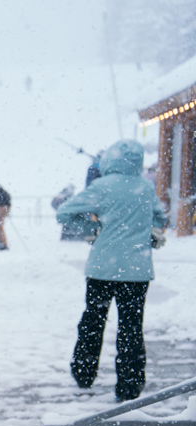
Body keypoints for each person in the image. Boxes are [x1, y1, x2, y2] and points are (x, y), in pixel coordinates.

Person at [55, 139, 167, 402]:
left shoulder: (101, 186)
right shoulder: (145, 187)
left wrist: (92, 229)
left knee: (93, 319)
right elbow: (160, 218)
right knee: (131, 326)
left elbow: (64, 213)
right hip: (137, 270)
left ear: (111, 160)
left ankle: (84, 372)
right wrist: (144, 228)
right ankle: (129, 385)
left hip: (102, 267)